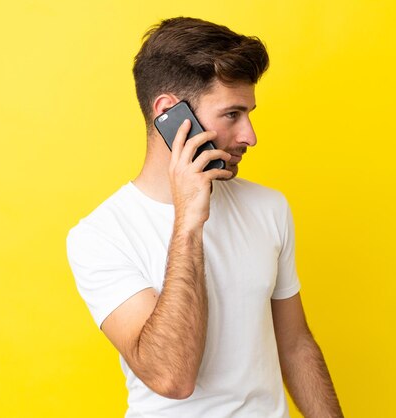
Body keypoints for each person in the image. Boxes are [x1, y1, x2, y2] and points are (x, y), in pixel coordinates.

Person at [66, 17, 343, 417]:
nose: (250, 136)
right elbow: (172, 377)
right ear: (170, 113)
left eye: (248, 113)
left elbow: (295, 343)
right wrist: (189, 220)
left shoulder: (269, 208)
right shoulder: (100, 236)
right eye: (232, 114)